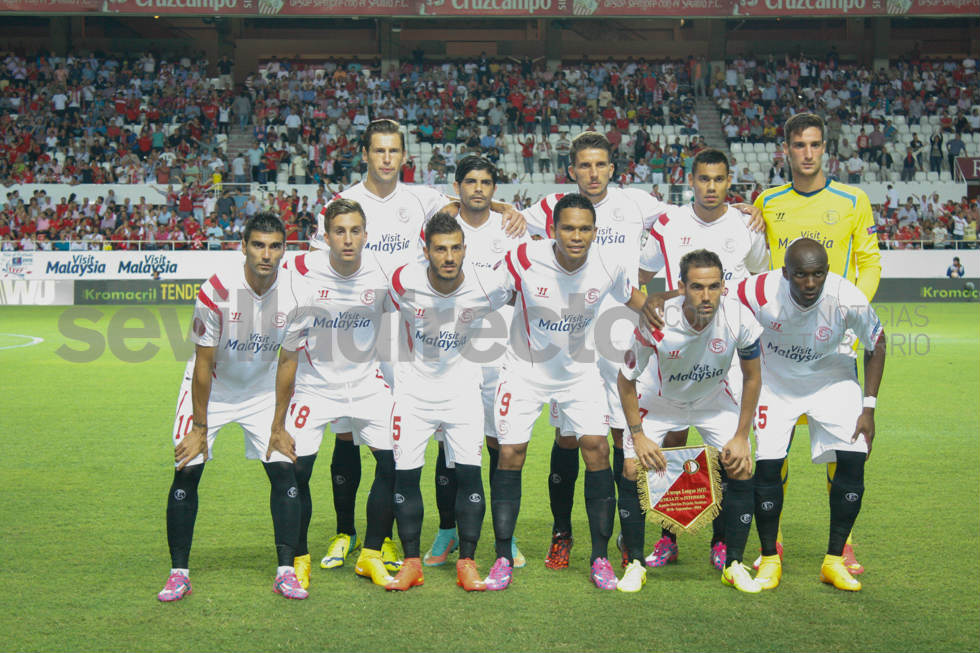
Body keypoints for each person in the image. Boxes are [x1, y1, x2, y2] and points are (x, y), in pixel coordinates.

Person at [522, 133, 762, 571]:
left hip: (628, 338)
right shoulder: (552, 206)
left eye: (601, 164)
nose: (593, 173)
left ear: (612, 168)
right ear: (572, 170)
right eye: (584, 165)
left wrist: (744, 210)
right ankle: (562, 533)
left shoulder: (639, 204)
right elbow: (506, 221)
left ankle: (625, 536)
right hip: (573, 342)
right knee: (570, 438)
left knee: (625, 441)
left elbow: (697, 211)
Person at [307, 119, 524, 573]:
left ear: (404, 156)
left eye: (394, 151)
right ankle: (346, 531)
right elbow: (320, 260)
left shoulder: (423, 199)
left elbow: (469, 200)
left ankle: (389, 538)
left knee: (397, 438)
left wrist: (507, 209)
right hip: (359, 326)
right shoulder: (343, 202)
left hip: (413, 327)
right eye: (379, 151)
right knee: (347, 432)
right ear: (365, 154)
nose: (386, 159)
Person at [487, 193, 653, 592]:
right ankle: (503, 557)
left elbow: (636, 300)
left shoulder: (609, 263)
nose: (576, 236)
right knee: (510, 453)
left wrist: (678, 314)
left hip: (579, 373)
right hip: (524, 371)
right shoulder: (522, 258)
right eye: (568, 228)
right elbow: (487, 294)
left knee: (597, 448)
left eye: (584, 229)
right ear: (553, 230)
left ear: (595, 232)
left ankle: (599, 558)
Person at [753, 112, 881, 574]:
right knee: (775, 443)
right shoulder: (767, 202)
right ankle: (773, 539)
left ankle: (842, 546)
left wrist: (850, 312)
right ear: (786, 150)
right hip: (780, 343)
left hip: (833, 341)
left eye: (814, 144)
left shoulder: (853, 200)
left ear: (825, 148)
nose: (807, 153)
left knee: (844, 445)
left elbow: (869, 261)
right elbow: (756, 265)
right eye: (798, 145)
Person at [158, 213, 307, 602]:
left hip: (261, 391)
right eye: (258, 245)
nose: (266, 254)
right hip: (214, 388)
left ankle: (286, 572)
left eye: (274, 246)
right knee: (187, 469)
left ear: (284, 250)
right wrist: (200, 428)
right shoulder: (217, 290)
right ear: (243, 247)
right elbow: (203, 362)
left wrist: (278, 426)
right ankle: (178, 574)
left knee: (285, 471)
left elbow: (288, 363)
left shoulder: (297, 295)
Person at [635, 148, 769, 570]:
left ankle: (721, 540)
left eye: (719, 179)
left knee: (728, 450)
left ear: (730, 181)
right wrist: (653, 301)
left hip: (725, 350)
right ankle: (668, 536)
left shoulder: (747, 225)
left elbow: (759, 278)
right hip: (677, 349)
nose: (711, 187)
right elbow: (639, 279)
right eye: (703, 179)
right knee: (672, 445)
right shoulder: (669, 224)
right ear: (690, 181)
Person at [737, 238, 886, 592]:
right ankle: (770, 559)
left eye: (818, 274)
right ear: (785, 272)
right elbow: (718, 307)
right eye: (801, 275)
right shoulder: (757, 290)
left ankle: (834, 561)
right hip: (775, 383)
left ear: (827, 272)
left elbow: (877, 342)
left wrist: (869, 407)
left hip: (832, 379)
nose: (809, 283)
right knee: (768, 465)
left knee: (854, 459)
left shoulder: (847, 297)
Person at [268, 199, 399, 590]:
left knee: (395, 463)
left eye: (355, 231)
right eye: (339, 231)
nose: (348, 239)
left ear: (366, 234)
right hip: (314, 386)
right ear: (324, 236)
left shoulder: (383, 273)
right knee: (294, 471)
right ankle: (299, 558)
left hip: (367, 383)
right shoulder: (299, 269)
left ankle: (371, 554)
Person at [617, 249, 763, 593]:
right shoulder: (656, 322)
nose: (706, 295)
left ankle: (733, 564)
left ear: (723, 286)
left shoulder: (739, 318)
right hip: (660, 401)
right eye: (697, 287)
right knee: (631, 468)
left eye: (713, 286)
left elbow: (752, 377)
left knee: (741, 466)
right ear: (681, 287)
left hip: (712, 401)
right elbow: (625, 380)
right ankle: (635, 563)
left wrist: (742, 436)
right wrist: (638, 436)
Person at [384, 213, 513, 591]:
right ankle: (411, 564)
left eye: (456, 248)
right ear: (425, 251)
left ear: (465, 249)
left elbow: (525, 297)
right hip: (413, 394)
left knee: (471, 476)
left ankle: (467, 563)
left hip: (463, 394)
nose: (449, 257)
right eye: (440, 249)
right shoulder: (402, 282)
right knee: (406, 476)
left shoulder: (487, 286)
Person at [419, 156, 530, 570]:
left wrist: (506, 210)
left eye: (485, 182)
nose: (478, 189)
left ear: (494, 188)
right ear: (457, 187)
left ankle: (506, 535)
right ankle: (447, 530)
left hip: (501, 355)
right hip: (452, 354)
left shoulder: (512, 228)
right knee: (449, 446)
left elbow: (523, 286)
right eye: (470, 182)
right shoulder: (443, 226)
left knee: (501, 444)